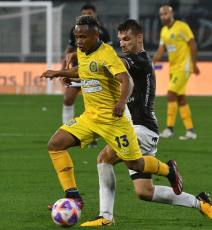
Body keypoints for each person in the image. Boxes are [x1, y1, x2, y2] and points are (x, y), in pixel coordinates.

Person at [80, 19, 212, 226]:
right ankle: (199, 202)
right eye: (120, 40)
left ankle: (106, 217)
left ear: (139, 38)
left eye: (127, 39)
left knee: (104, 158)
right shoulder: (131, 62)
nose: (123, 43)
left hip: (141, 129)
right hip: (136, 130)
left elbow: (112, 65)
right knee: (145, 192)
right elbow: (103, 72)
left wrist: (83, 58)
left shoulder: (141, 61)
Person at [41, 15, 183, 214]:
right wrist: (60, 73)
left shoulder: (111, 55)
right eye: (76, 37)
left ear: (96, 35)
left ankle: (168, 170)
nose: (78, 41)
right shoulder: (83, 51)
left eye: (82, 37)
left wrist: (121, 102)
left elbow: (126, 79)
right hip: (90, 117)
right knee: (55, 145)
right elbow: (86, 70)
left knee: (135, 163)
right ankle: (73, 196)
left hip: (113, 121)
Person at [62, 3, 111, 148]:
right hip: (79, 70)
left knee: (91, 104)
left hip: (96, 73)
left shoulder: (102, 32)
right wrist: (63, 69)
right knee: (68, 99)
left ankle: (93, 137)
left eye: (89, 13)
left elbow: (108, 52)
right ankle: (68, 131)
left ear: (95, 14)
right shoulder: (75, 30)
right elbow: (70, 48)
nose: (86, 16)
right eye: (84, 14)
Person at [152, 5, 199, 140]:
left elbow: (193, 44)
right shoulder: (164, 31)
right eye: (161, 15)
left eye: (166, 13)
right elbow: (161, 49)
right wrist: (152, 62)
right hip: (173, 68)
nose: (163, 17)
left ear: (172, 14)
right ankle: (190, 131)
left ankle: (169, 129)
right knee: (180, 98)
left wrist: (194, 64)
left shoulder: (181, 26)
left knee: (170, 94)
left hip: (183, 67)